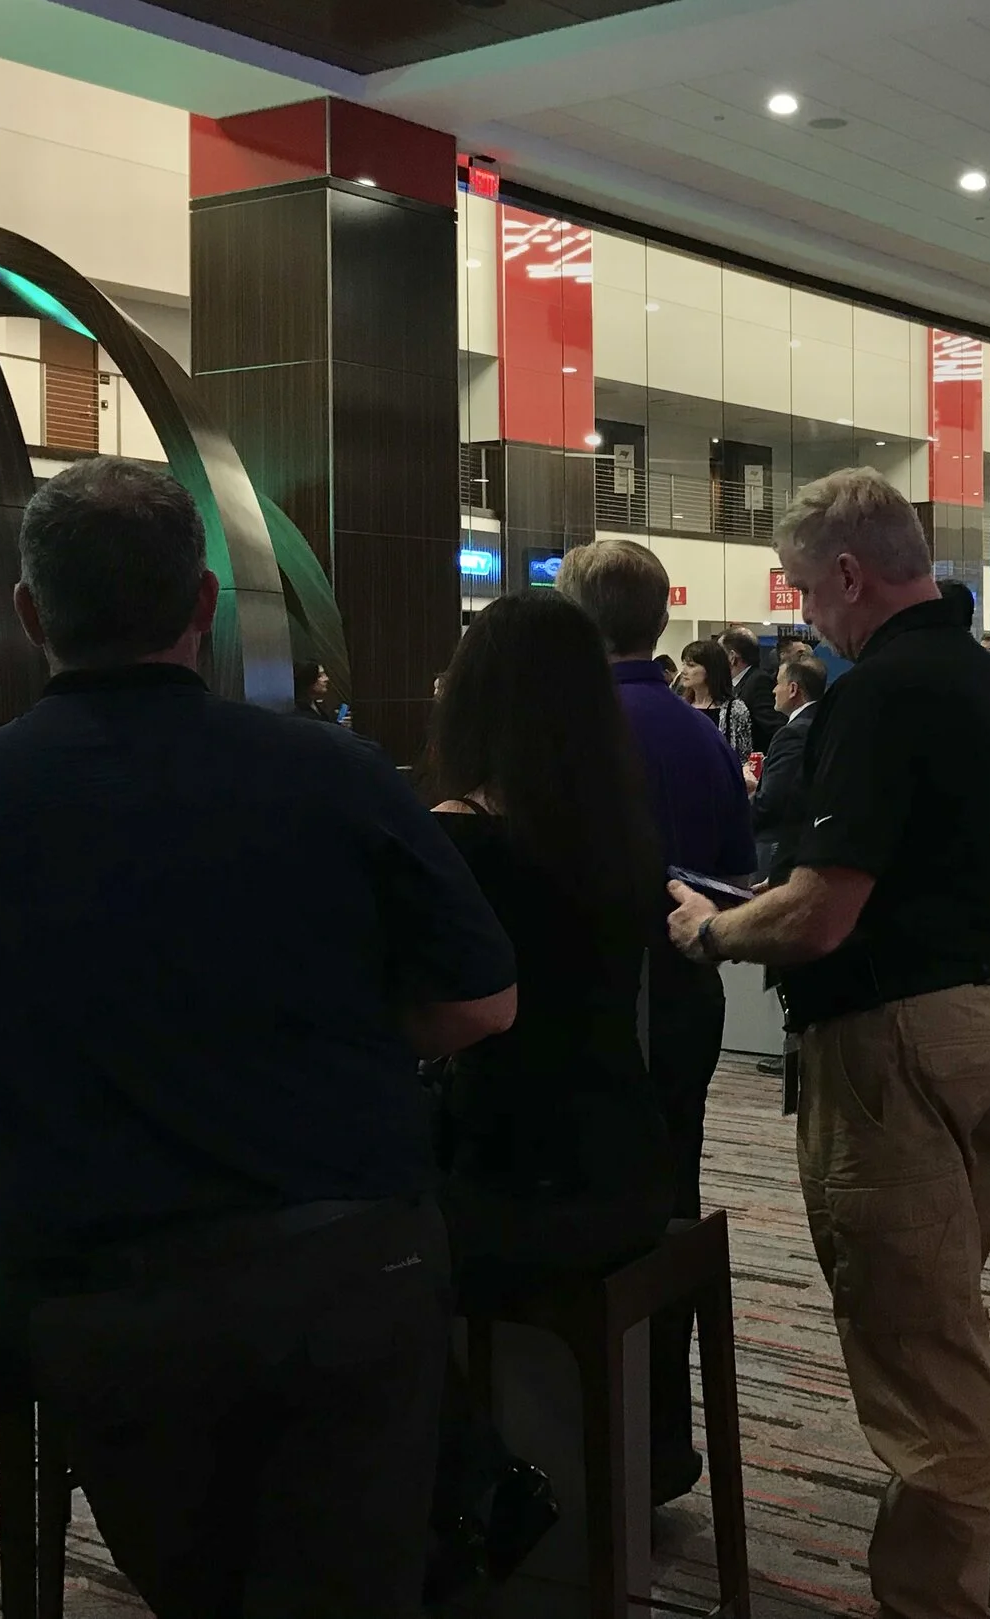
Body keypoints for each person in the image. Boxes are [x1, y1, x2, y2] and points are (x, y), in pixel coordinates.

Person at [0, 458, 519, 1615]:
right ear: (203, 606)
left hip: (109, 1292)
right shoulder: (335, 773)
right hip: (350, 1263)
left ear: (27, 613)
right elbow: (480, 1003)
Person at [660, 468, 990, 1619]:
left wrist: (711, 927)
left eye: (799, 588)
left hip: (893, 1041)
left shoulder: (877, 696)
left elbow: (823, 909)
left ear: (845, 574)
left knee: (913, 1357)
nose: (799, 614)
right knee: (943, 1330)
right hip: (989, 1016)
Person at [556, 539, 755, 1502]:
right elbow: (737, 869)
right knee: (672, 1204)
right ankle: (663, 1442)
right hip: (688, 999)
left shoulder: (569, 732)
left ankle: (600, 1455)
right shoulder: (699, 730)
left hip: (602, 1010)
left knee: (598, 1225)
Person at [424, 592, 672, 1306]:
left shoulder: (458, 832)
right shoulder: (620, 826)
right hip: (628, 1154)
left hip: (511, 1173)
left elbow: (448, 1014)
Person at [753, 654, 827, 879]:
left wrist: (733, 819)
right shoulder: (826, 721)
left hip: (779, 843)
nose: (774, 690)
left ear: (793, 689)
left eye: (778, 683)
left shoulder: (793, 733)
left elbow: (773, 801)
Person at [678, 638, 754, 757]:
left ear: (710, 669)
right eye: (684, 664)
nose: (684, 671)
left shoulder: (734, 709)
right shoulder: (680, 706)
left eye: (691, 665)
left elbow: (743, 756)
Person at [720, 625, 781, 753]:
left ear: (732, 656)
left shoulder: (758, 681)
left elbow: (773, 726)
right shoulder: (734, 683)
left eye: (719, 653)